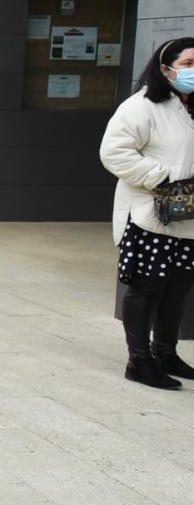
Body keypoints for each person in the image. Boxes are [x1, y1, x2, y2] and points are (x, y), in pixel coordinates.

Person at [99, 36, 194, 390]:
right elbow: (115, 153)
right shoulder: (141, 106)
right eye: (187, 64)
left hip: (188, 218)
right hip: (149, 214)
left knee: (178, 289)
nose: (192, 71)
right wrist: (163, 179)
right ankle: (138, 360)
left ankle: (165, 353)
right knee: (146, 288)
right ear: (165, 67)